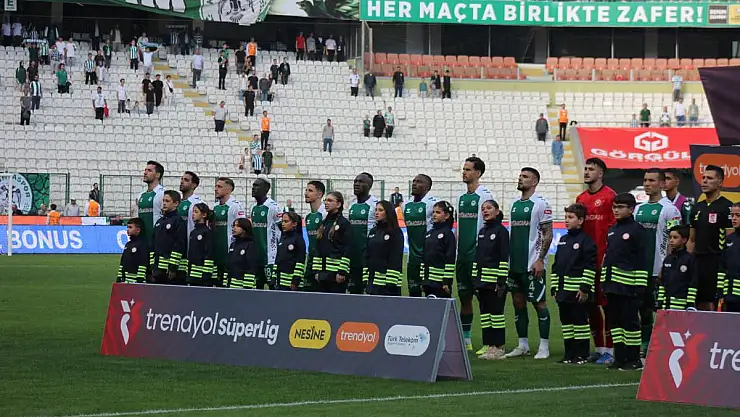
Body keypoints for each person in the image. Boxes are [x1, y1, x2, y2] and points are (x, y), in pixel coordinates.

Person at [504, 167, 553, 360]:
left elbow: (547, 233)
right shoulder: (514, 204)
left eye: (525, 177)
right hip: (514, 264)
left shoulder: (540, 204)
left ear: (534, 182)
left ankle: (544, 347)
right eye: (520, 176)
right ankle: (522, 345)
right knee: (518, 303)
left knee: (539, 304)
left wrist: (540, 260)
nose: (520, 178)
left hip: (532, 264)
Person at [634, 168, 681, 354]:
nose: (647, 183)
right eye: (645, 180)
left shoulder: (670, 209)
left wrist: (667, 265)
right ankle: (646, 345)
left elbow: (674, 239)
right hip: (640, 270)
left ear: (662, 184)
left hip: (659, 268)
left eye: (652, 180)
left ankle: (666, 346)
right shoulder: (638, 209)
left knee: (662, 309)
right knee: (643, 309)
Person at [576, 157, 616, 364]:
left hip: (604, 261)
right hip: (587, 263)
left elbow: (614, 230)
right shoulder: (581, 198)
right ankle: (599, 348)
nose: (586, 172)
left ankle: (611, 349)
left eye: (591, 169)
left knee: (607, 306)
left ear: (601, 173)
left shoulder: (610, 197)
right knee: (590, 305)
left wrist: (609, 256)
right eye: (585, 168)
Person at [602, 192, 648, 371]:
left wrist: (640, 285)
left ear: (631, 209)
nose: (616, 210)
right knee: (615, 323)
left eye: (620, 207)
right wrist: (605, 282)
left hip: (629, 286)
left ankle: (634, 359)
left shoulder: (637, 230)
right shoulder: (613, 230)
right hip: (612, 285)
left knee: (630, 323)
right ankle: (619, 358)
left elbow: (642, 260)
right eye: (614, 207)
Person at [551, 203, 597, 365]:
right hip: (563, 291)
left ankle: (581, 354)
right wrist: (554, 286)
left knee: (580, 324)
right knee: (566, 324)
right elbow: (556, 266)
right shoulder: (563, 240)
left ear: (581, 220)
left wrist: (584, 288)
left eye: (570, 217)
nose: (566, 220)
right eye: (565, 217)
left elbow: (590, 266)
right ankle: (569, 354)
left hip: (578, 292)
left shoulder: (586, 241)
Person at [457, 157, 495, 352]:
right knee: (464, 298)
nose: (464, 172)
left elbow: (488, 225)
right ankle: (466, 340)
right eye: (463, 169)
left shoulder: (484, 195)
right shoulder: (461, 198)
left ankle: (490, 342)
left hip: (477, 257)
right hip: (462, 258)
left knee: (484, 300)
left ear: (478, 173)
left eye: (468, 169)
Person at [688, 164, 733, 312]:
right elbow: (692, 239)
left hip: (716, 262)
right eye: (703, 178)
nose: (705, 181)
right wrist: (688, 260)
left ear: (720, 182)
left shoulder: (727, 207)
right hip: (698, 261)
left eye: (710, 178)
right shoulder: (697, 208)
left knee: (714, 302)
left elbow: (731, 240)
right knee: (697, 301)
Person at [474, 200, 510, 360]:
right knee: (485, 316)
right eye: (483, 209)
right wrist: (475, 279)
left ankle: (499, 347)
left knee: (496, 316)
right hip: (482, 283)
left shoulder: (501, 232)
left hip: (494, 284)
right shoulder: (482, 231)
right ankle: (489, 346)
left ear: (497, 211)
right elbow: (478, 257)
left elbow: (504, 258)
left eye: (489, 208)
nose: (485, 211)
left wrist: (501, 281)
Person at [403, 174, 438, 297]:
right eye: (414, 181)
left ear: (427, 187)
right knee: (413, 294)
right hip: (412, 259)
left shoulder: (433, 203)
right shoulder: (406, 204)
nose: (414, 184)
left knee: (431, 294)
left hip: (429, 258)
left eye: (419, 182)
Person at [314, 191, 352, 293]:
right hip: (322, 274)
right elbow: (318, 248)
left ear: (338, 204)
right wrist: (317, 271)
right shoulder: (324, 223)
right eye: (325, 200)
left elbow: (347, 249)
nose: (326, 203)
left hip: (336, 275)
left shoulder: (344, 223)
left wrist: (342, 272)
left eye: (330, 200)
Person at [348, 173, 380, 295]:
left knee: (369, 292)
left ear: (369, 185)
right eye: (355, 181)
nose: (356, 184)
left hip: (368, 256)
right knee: (353, 292)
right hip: (353, 256)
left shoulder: (375, 204)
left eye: (361, 182)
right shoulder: (352, 204)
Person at [364, 200, 404, 296]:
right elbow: (367, 254)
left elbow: (395, 258)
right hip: (372, 282)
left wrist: (391, 282)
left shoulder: (395, 232)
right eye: (376, 210)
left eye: (380, 210)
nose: (377, 213)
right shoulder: (373, 231)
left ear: (388, 213)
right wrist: (365, 277)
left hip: (388, 285)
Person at [213, 177, 247, 287]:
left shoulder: (235, 206)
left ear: (228, 190)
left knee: (228, 285)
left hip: (230, 252)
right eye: (215, 186)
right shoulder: (214, 207)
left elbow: (243, 227)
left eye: (219, 186)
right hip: (216, 252)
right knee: (216, 284)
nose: (215, 189)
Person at [251, 177, 282, 290]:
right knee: (257, 287)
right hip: (256, 256)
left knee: (272, 287)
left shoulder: (273, 207)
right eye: (253, 185)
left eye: (257, 186)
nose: (253, 188)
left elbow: (282, 228)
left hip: (270, 256)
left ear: (266, 189)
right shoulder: (253, 207)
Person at [658, 224, 698, 311]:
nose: (671, 240)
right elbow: (662, 282)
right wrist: (660, 301)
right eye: (670, 237)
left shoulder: (689, 259)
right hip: (666, 305)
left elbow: (693, 283)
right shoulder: (668, 259)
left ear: (684, 240)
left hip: (681, 306)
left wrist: (690, 303)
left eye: (675, 237)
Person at [151, 190, 187, 285]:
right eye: (163, 201)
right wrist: (152, 265)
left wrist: (173, 266)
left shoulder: (179, 222)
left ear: (176, 203)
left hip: (172, 271)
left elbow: (179, 245)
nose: (164, 203)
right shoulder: (160, 222)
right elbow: (153, 244)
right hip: (158, 269)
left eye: (167, 201)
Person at [422, 201, 456, 298]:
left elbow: (450, 259)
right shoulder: (429, 233)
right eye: (433, 212)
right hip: (428, 282)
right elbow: (424, 257)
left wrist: (447, 282)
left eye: (438, 212)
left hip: (440, 283)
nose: (434, 215)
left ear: (446, 216)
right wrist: (423, 279)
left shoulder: (448, 234)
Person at [303, 181, 327, 292]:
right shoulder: (308, 217)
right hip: (311, 260)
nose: (306, 193)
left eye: (310, 190)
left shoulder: (325, 214)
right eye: (306, 190)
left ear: (319, 194)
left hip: (322, 263)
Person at [273, 211, 306, 290]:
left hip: (291, 284)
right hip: (280, 282)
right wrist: (273, 277)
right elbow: (277, 259)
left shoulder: (298, 239)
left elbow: (300, 262)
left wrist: (295, 280)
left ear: (294, 224)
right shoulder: (282, 238)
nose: (283, 224)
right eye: (282, 221)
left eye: (286, 221)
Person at [227, 218, 263, 289]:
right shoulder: (233, 245)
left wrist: (247, 288)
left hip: (245, 287)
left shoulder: (250, 245)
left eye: (237, 226)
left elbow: (251, 267)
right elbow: (229, 264)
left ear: (244, 229)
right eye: (234, 226)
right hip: (232, 286)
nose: (234, 228)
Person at [136, 161, 165, 247]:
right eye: (145, 170)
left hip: (156, 241)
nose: (145, 173)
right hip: (142, 241)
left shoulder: (162, 194)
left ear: (157, 175)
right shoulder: (141, 195)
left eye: (149, 170)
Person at [186, 202, 214, 286]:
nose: (193, 214)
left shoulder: (207, 232)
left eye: (196, 212)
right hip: (192, 274)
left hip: (202, 276)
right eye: (193, 212)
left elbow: (209, 254)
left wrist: (206, 274)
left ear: (204, 215)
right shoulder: (193, 232)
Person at [719, 203, 740, 313]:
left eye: (738, 215)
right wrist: (720, 291)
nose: (734, 218)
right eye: (732, 215)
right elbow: (722, 267)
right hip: (729, 295)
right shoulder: (729, 239)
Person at [116, 218, 148, 283]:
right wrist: (119, 277)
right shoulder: (128, 244)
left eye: (130, 227)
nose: (128, 230)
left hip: (135, 281)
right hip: (125, 280)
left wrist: (140, 279)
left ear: (138, 230)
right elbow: (122, 263)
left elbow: (143, 263)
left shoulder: (142, 245)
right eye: (127, 227)